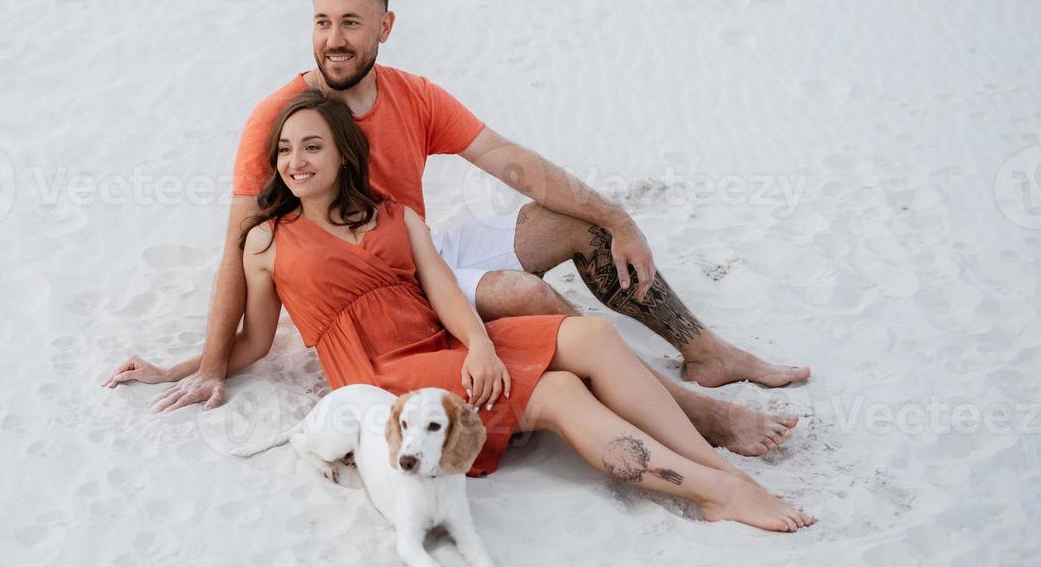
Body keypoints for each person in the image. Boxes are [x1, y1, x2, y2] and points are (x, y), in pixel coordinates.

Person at [108, 0, 806, 458]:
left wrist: (620, 218)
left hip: (419, 245)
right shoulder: (281, 120)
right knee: (527, 295)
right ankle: (692, 413)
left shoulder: (413, 94)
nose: (335, 39)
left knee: (584, 225)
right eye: (322, 22)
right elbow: (240, 240)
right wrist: (203, 365)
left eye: (352, 22)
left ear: (386, 26)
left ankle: (704, 352)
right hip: (382, 286)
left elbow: (515, 164)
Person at [143, 89, 816, 531]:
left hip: (440, 342)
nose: (295, 161)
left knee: (593, 337)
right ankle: (712, 491)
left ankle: (719, 467)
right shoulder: (265, 240)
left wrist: (482, 347)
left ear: (343, 153)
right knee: (554, 394)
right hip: (385, 375)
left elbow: (441, 292)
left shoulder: (393, 216)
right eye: (285, 150)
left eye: (311, 145)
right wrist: (185, 367)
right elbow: (255, 341)